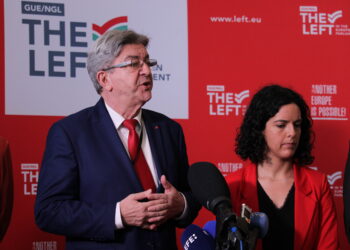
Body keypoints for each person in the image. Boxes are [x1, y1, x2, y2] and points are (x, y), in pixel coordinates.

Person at [35, 29, 200, 250]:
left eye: (148, 62)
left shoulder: (169, 130)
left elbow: (188, 195)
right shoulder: (70, 133)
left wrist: (180, 204)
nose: (147, 71)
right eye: (134, 64)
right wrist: (118, 215)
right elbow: (50, 212)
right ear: (105, 79)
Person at [226, 85, 339, 250]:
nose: (292, 133)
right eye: (281, 125)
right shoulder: (233, 185)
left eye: (297, 124)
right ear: (260, 129)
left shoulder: (318, 184)